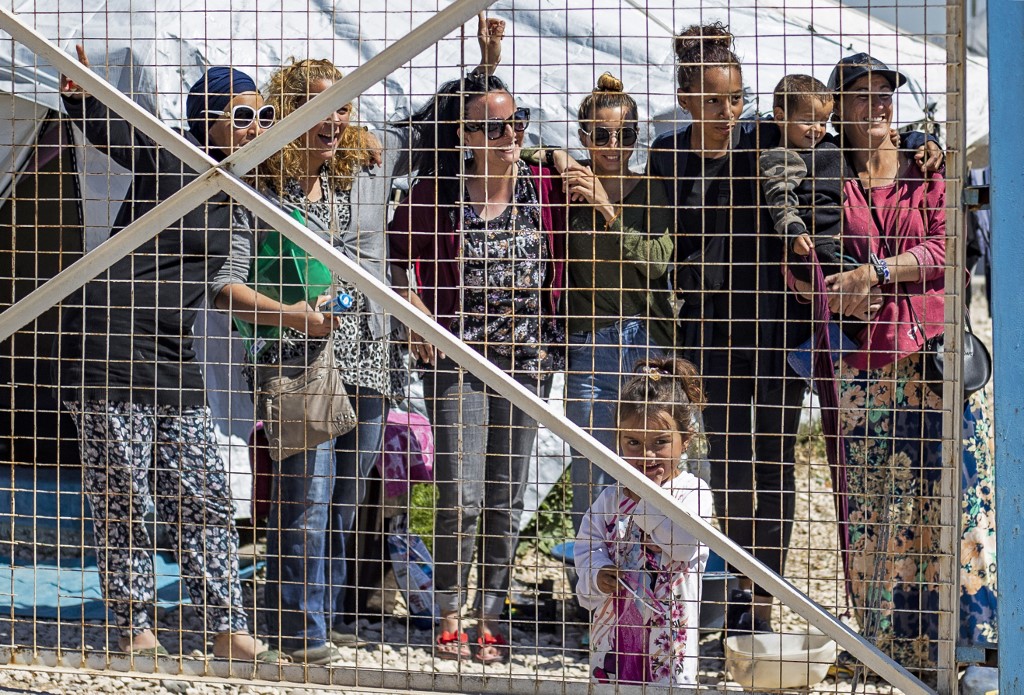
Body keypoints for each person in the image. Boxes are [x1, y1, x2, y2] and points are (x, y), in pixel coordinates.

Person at [56, 46, 276, 660]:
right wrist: (81, 95)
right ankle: (133, 627)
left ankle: (227, 624)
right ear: (205, 120)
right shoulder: (173, 156)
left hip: (174, 352)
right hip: (110, 343)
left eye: (263, 117)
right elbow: (117, 132)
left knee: (202, 488)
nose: (256, 129)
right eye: (242, 116)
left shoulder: (243, 191)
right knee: (124, 494)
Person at [799, 53, 996, 671]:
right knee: (872, 504)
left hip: (935, 353)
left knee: (959, 494)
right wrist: (830, 283)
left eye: (885, 94)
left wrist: (878, 270)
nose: (877, 105)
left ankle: (971, 639)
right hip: (863, 362)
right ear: (838, 109)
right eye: (861, 96)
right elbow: (808, 260)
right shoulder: (822, 174)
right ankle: (887, 645)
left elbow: (946, 246)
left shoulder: (927, 167)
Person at [211, 58, 399, 665]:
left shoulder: (360, 171)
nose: (334, 117)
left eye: (341, 105)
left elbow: (437, 131)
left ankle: (323, 614)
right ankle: (302, 633)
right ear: (288, 111)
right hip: (297, 354)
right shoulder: (258, 185)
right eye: (319, 105)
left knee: (344, 502)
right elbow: (223, 286)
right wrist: (293, 314)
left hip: (368, 351)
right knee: (305, 501)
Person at [388, 72, 568, 664]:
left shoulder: (543, 183)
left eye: (514, 124)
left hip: (527, 358)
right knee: (459, 495)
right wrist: (409, 306)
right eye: (492, 126)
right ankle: (447, 612)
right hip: (458, 357)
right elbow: (390, 252)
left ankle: (490, 615)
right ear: (466, 133)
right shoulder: (439, 189)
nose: (507, 135)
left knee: (505, 497)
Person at [539, 72, 675, 533]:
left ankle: (651, 577)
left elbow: (657, 261)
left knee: (653, 466)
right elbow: (515, 152)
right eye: (601, 135)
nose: (613, 144)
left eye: (625, 134)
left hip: (645, 339)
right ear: (583, 136)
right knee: (590, 468)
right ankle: (593, 588)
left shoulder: (651, 188)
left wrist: (606, 208)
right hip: (589, 342)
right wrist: (555, 155)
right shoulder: (567, 182)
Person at [574, 357, 712, 686]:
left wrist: (641, 501)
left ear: (686, 439)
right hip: (615, 633)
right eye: (633, 443)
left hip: (670, 642)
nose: (646, 456)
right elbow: (586, 545)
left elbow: (682, 545)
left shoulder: (692, 492)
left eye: (660, 442)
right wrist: (598, 574)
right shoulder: (610, 496)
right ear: (618, 441)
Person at [758, 74, 845, 280]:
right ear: (780, 117)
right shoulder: (780, 157)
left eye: (823, 122)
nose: (817, 129)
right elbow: (780, 199)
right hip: (813, 245)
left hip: (840, 239)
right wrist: (794, 232)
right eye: (807, 121)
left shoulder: (827, 146)